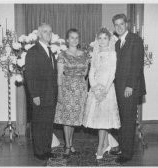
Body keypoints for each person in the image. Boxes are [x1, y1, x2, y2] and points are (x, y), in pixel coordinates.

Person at [110, 14, 146, 163]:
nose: (119, 27)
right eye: (116, 25)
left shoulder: (135, 40)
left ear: (127, 25)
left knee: (128, 120)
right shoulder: (118, 43)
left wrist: (130, 85)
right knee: (122, 120)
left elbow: (137, 65)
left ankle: (127, 154)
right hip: (119, 88)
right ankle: (122, 146)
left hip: (130, 88)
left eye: (121, 24)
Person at [83, 27, 121, 160]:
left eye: (105, 38)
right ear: (97, 39)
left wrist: (104, 89)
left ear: (109, 39)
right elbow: (92, 70)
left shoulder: (112, 54)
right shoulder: (96, 53)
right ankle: (105, 144)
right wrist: (94, 86)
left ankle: (100, 147)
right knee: (98, 119)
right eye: (100, 38)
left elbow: (112, 73)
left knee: (104, 119)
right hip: (96, 88)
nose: (102, 40)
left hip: (107, 89)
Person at [54, 28, 89, 158]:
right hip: (66, 89)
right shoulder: (62, 55)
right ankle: (67, 145)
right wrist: (59, 92)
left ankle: (70, 143)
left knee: (74, 119)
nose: (74, 40)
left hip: (80, 89)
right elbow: (59, 75)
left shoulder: (85, 55)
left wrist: (85, 92)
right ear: (67, 40)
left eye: (76, 37)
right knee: (66, 119)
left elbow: (85, 74)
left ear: (78, 40)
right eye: (72, 37)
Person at [25, 23, 58, 160]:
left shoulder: (50, 51)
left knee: (48, 124)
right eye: (45, 32)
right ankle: (39, 151)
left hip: (50, 95)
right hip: (39, 95)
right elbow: (30, 75)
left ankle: (46, 148)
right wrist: (35, 95)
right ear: (39, 34)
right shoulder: (33, 51)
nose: (48, 34)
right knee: (39, 124)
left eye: (50, 32)